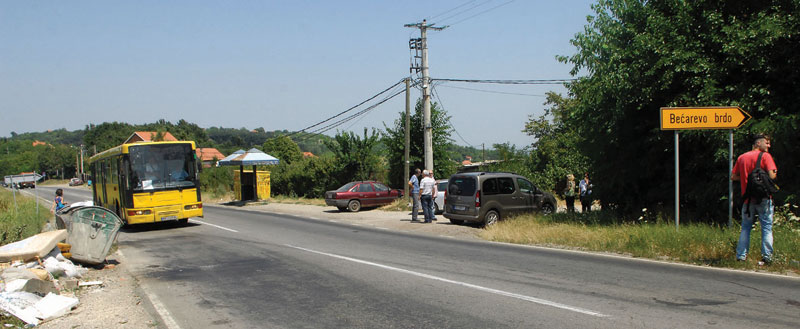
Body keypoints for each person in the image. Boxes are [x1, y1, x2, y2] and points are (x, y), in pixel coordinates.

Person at [732, 133, 778, 265]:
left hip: (747, 199)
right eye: (766, 143)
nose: (768, 145)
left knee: (745, 227)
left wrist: (747, 179)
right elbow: (772, 175)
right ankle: (767, 257)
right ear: (758, 143)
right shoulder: (766, 156)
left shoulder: (742, 157)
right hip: (763, 198)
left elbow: (733, 176)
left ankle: (741, 256)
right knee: (767, 227)